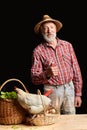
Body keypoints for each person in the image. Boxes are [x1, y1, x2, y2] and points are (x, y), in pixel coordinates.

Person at [30, 14, 83, 114]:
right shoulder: (38, 51)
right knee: (53, 120)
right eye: (45, 28)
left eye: (51, 27)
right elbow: (34, 78)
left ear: (56, 29)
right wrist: (47, 74)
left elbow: (76, 69)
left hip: (69, 88)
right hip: (51, 90)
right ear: (41, 31)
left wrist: (78, 94)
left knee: (70, 120)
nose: (49, 31)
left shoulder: (67, 45)